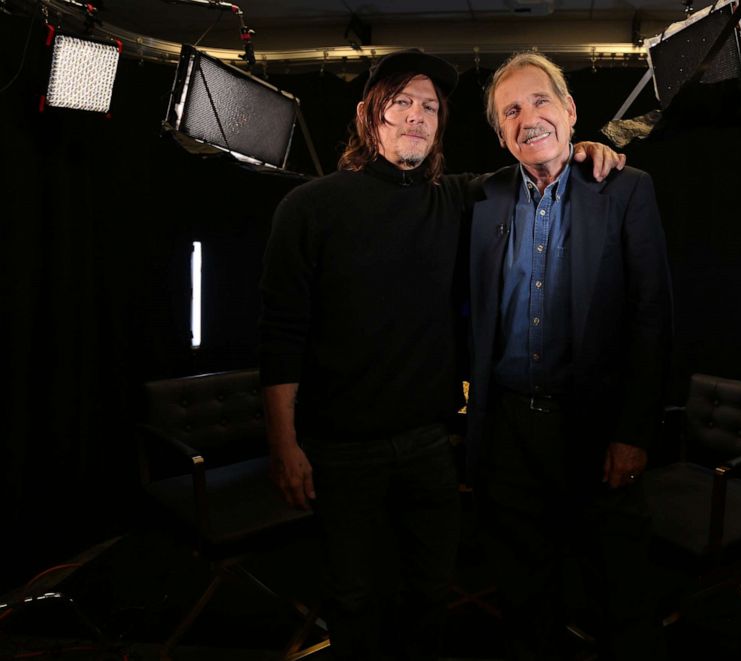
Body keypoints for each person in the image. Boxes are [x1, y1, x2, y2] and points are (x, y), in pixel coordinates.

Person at [258, 49, 624, 660]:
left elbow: (533, 165)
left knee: (429, 592)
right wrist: (284, 444)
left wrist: (585, 150)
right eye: (400, 102)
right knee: (352, 597)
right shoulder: (310, 208)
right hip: (341, 449)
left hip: (431, 444)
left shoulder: (457, 199)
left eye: (429, 107)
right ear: (367, 116)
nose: (416, 117)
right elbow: (280, 335)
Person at [466, 52, 674, 660]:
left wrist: (633, 431)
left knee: (621, 599)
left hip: (596, 430)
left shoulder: (626, 189)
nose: (528, 118)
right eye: (511, 110)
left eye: (540, 102)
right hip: (507, 434)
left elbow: (652, 318)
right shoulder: (479, 199)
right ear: (501, 134)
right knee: (526, 600)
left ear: (570, 110)